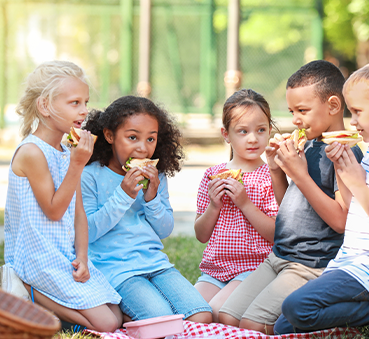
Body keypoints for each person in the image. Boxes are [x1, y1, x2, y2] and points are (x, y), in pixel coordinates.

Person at [219, 60, 364, 334]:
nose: (295, 119)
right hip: (278, 256)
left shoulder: (344, 152)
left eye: (303, 110)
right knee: (227, 318)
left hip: (310, 264)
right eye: (292, 111)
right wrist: (277, 170)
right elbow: (290, 205)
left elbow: (342, 221)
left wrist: (299, 175)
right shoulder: (308, 144)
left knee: (252, 325)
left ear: (333, 106)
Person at [274, 60, 369, 339]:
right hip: (349, 261)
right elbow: (353, 208)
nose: (353, 122)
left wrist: (357, 182)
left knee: (297, 307)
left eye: (359, 112)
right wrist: (341, 169)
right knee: (284, 325)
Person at [4, 60, 123, 332]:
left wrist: (82, 255)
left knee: (117, 312)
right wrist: (78, 164)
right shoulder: (33, 152)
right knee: (107, 324)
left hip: (63, 254)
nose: (84, 111)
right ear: (44, 106)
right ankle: (27, 288)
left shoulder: (66, 148)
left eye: (85, 102)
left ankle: (49, 309)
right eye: (74, 103)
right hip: (36, 257)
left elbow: (78, 212)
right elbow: (54, 211)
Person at [81, 95, 213, 323]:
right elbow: (88, 232)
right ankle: (127, 314)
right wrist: (123, 194)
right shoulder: (89, 175)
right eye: (132, 137)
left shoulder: (156, 175)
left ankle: (131, 316)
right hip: (116, 268)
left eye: (151, 139)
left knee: (202, 316)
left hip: (155, 264)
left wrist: (152, 198)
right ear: (109, 135)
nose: (143, 148)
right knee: (160, 319)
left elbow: (164, 230)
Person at [194, 89, 279, 322]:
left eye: (261, 130)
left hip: (254, 268)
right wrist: (214, 206)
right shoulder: (213, 175)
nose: (253, 138)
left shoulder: (271, 177)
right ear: (226, 134)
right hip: (215, 270)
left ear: (269, 130)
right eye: (243, 131)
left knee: (218, 311)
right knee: (193, 312)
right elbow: (201, 235)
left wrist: (244, 203)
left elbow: (276, 234)